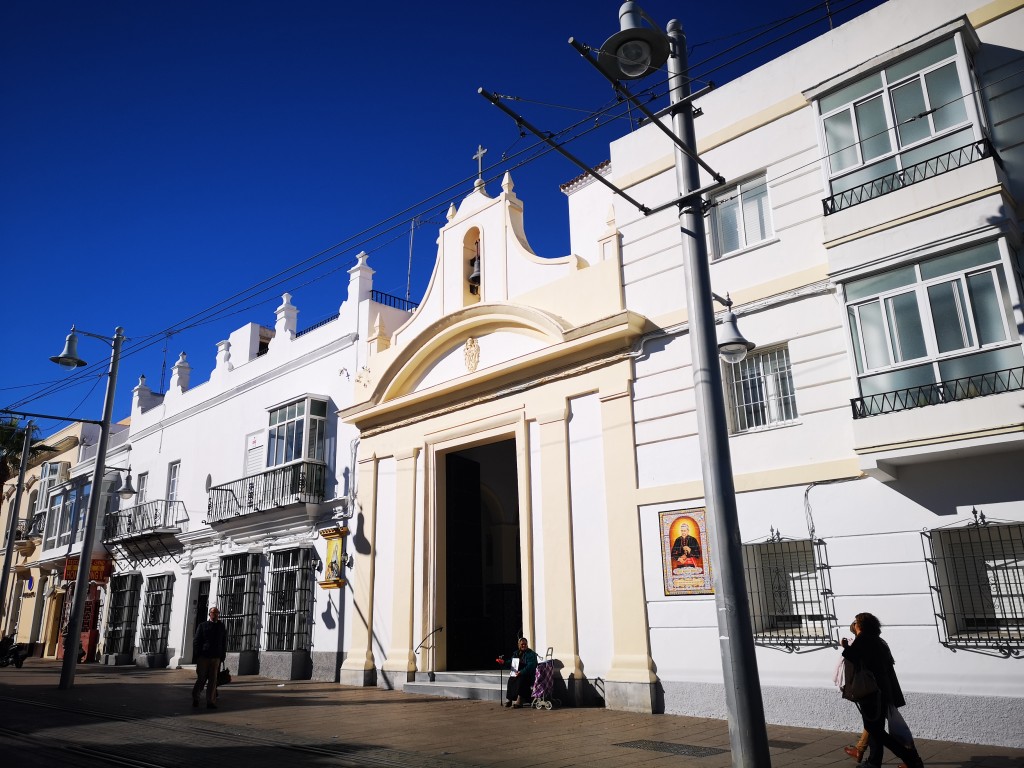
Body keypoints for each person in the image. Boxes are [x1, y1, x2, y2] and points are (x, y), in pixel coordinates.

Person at [841, 613, 923, 768]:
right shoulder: (877, 641)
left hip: (870, 691)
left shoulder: (864, 640)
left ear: (861, 625)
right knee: (874, 729)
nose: (854, 625)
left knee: (874, 729)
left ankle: (910, 758)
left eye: (855, 622)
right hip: (882, 690)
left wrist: (845, 646)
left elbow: (854, 658)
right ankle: (874, 762)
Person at [192, 606, 227, 709]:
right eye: (213, 613)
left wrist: (222, 655)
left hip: (216, 657)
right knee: (201, 678)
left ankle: (210, 701)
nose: (215, 615)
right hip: (204, 656)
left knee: (213, 680)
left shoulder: (221, 626)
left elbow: (224, 641)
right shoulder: (202, 626)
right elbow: (196, 641)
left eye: (217, 613)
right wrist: (198, 654)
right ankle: (196, 697)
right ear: (209, 614)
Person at [496, 637, 538, 708]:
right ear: (519, 645)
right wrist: (504, 662)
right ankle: (509, 699)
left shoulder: (531, 654)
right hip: (518, 672)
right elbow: (512, 662)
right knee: (511, 679)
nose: (524, 645)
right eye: (522, 644)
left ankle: (520, 700)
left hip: (527, 674)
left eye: (525, 644)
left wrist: (522, 672)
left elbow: (531, 665)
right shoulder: (516, 653)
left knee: (521, 679)